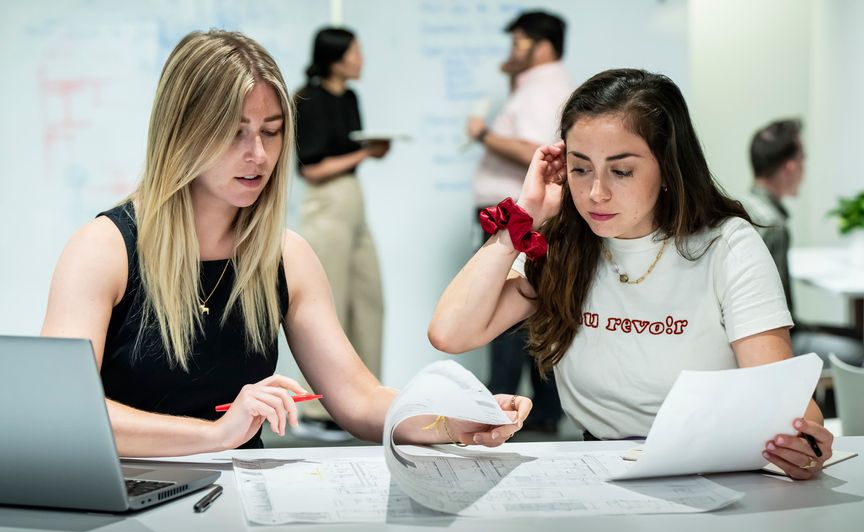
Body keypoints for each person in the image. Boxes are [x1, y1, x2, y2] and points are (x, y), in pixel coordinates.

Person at [40, 29, 530, 457]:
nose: (258, 155)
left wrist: (454, 419)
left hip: (238, 504)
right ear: (182, 134)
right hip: (127, 504)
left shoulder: (285, 255)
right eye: (235, 135)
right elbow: (63, 410)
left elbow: (358, 400)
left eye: (271, 133)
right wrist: (216, 435)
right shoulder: (102, 249)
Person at [430, 68, 834, 480]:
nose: (596, 193)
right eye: (580, 168)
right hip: (598, 469)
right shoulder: (563, 243)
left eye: (621, 171)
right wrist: (523, 215)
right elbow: (451, 332)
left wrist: (805, 443)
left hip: (713, 470)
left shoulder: (726, 245)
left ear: (668, 168)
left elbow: (783, 400)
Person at [466, 10, 574, 434]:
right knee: (528, 316)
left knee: (504, 315)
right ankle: (538, 415)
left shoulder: (541, 88)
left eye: (517, 42)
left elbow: (536, 149)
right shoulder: (539, 86)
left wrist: (483, 135)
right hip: (517, 218)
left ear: (541, 46)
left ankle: (500, 415)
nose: (510, 51)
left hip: (517, 220)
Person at [292, 27, 389, 437]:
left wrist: (367, 153)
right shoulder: (306, 98)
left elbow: (350, 153)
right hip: (327, 201)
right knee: (327, 306)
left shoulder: (350, 97)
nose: (361, 58)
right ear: (334, 56)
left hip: (352, 199)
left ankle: (363, 400)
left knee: (368, 301)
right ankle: (318, 412)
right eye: (355, 51)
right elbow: (311, 168)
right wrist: (365, 152)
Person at [741, 119, 864, 367]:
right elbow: (780, 316)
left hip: (742, 336)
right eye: (803, 160)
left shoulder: (740, 207)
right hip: (770, 343)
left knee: (850, 335)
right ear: (790, 166)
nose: (803, 170)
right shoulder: (773, 224)